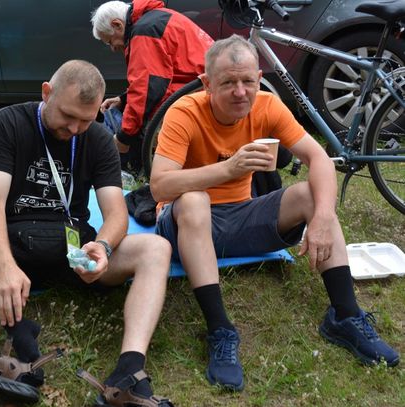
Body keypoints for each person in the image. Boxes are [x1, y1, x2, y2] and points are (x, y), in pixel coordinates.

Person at [0, 60, 173, 406]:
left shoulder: (97, 138)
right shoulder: (8, 122)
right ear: (46, 93)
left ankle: (129, 372)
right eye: (68, 115)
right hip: (9, 243)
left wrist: (103, 247)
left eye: (86, 119)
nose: (75, 128)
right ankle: (21, 335)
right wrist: (4, 265)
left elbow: (115, 214)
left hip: (76, 254)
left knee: (157, 248)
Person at [149, 35, 399, 392]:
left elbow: (318, 159)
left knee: (312, 194)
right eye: (228, 83)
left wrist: (323, 217)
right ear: (207, 84)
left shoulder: (267, 106)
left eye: (247, 81)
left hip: (242, 216)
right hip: (185, 227)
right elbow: (160, 186)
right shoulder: (185, 112)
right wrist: (229, 169)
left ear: (258, 78)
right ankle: (220, 330)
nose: (240, 92)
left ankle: (345, 316)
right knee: (194, 201)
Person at [90, 0, 214, 171]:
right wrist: (124, 99)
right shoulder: (158, 18)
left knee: (128, 124)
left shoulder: (145, 31)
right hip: (202, 90)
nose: (113, 48)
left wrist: (124, 138)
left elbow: (147, 91)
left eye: (110, 41)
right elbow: (156, 79)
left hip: (197, 96)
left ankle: (142, 173)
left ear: (117, 24)